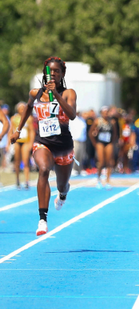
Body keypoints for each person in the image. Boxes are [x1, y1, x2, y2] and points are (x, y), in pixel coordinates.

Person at [10, 57, 77, 236]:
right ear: (44, 73)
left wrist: (56, 94)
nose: (53, 74)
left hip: (63, 146)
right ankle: (42, 219)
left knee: (62, 185)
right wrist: (17, 130)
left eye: (57, 71)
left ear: (62, 74)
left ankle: (62, 194)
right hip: (43, 143)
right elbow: (27, 109)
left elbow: (72, 115)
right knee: (44, 169)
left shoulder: (69, 93)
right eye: (50, 71)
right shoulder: (35, 93)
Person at [89, 106, 117, 190]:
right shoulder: (98, 121)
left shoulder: (112, 122)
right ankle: (99, 179)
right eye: (104, 112)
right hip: (100, 142)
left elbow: (115, 133)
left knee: (109, 162)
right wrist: (95, 144)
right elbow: (90, 133)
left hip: (108, 142)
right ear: (101, 113)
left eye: (107, 112)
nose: (106, 114)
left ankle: (108, 181)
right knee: (101, 162)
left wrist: (112, 142)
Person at [10, 102, 35, 189]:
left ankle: (27, 181)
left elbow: (32, 131)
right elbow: (11, 131)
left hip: (25, 141)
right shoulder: (13, 118)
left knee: (26, 161)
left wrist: (31, 143)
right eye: (20, 108)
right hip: (17, 142)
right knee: (17, 161)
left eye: (23, 108)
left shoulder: (29, 118)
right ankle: (17, 180)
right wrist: (9, 143)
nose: (22, 110)